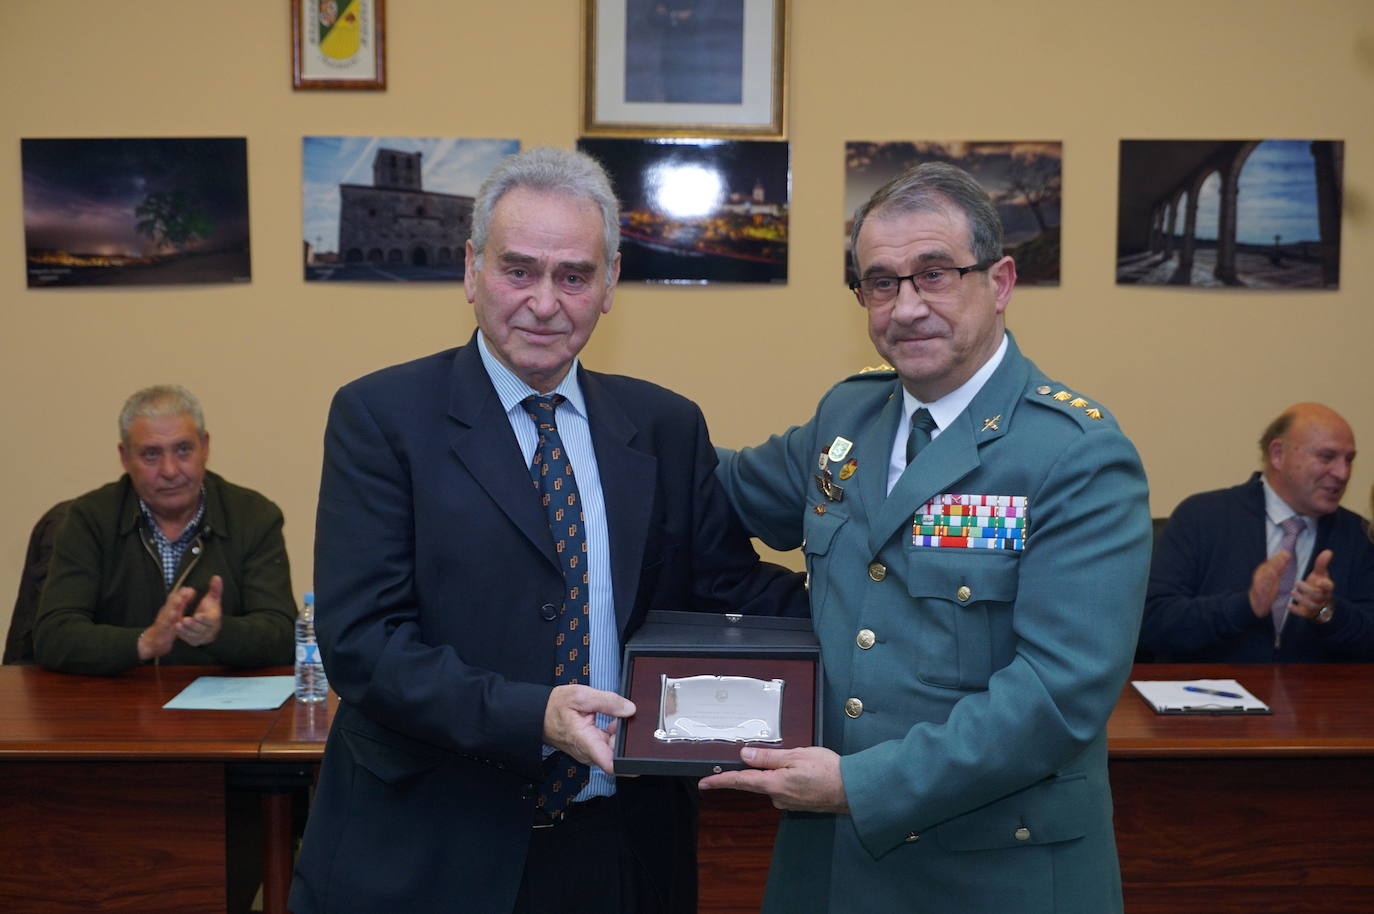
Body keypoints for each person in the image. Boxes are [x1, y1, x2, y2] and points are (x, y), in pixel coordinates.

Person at [289, 147, 801, 914]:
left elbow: (730, 593)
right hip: (428, 848)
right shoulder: (382, 418)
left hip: (619, 848)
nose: (544, 301)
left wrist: (881, 608)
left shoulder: (665, 426)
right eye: (517, 270)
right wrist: (535, 716)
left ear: (610, 285)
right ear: (471, 272)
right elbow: (363, 644)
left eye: (573, 275)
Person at [699, 162, 1152, 913]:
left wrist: (861, 785)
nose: (905, 307)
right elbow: (718, 487)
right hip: (831, 867)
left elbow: (1058, 694)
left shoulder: (1075, 453)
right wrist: (599, 414)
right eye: (880, 282)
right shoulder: (846, 419)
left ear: (1000, 282)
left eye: (934, 275)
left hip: (990, 870)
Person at [33, 385, 296, 675]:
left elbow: (283, 634)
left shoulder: (254, 516)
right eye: (151, 455)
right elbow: (53, 636)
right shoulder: (89, 518)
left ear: (205, 447)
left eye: (183, 450)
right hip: (117, 706)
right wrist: (143, 643)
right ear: (124, 457)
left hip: (220, 712)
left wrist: (218, 632)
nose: (170, 470)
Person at [1140, 403, 1374, 661]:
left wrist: (1328, 613)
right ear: (1277, 454)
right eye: (1327, 457)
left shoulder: (1360, 535)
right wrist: (1246, 604)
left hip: (1315, 698)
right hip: (1207, 695)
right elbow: (1152, 622)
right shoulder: (1202, 516)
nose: (1343, 473)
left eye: (1349, 459)